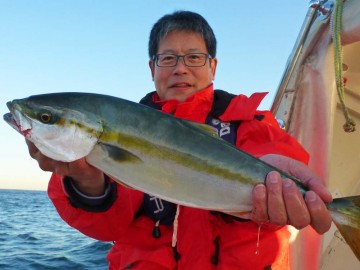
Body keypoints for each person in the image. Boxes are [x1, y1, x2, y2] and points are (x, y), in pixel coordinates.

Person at [26, 11, 333, 270]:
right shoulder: (125, 127)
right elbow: (107, 227)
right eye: (168, 58)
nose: (180, 68)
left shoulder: (251, 123)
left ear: (213, 67)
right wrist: (88, 184)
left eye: (194, 57)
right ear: (152, 68)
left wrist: (284, 189)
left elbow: (273, 154)